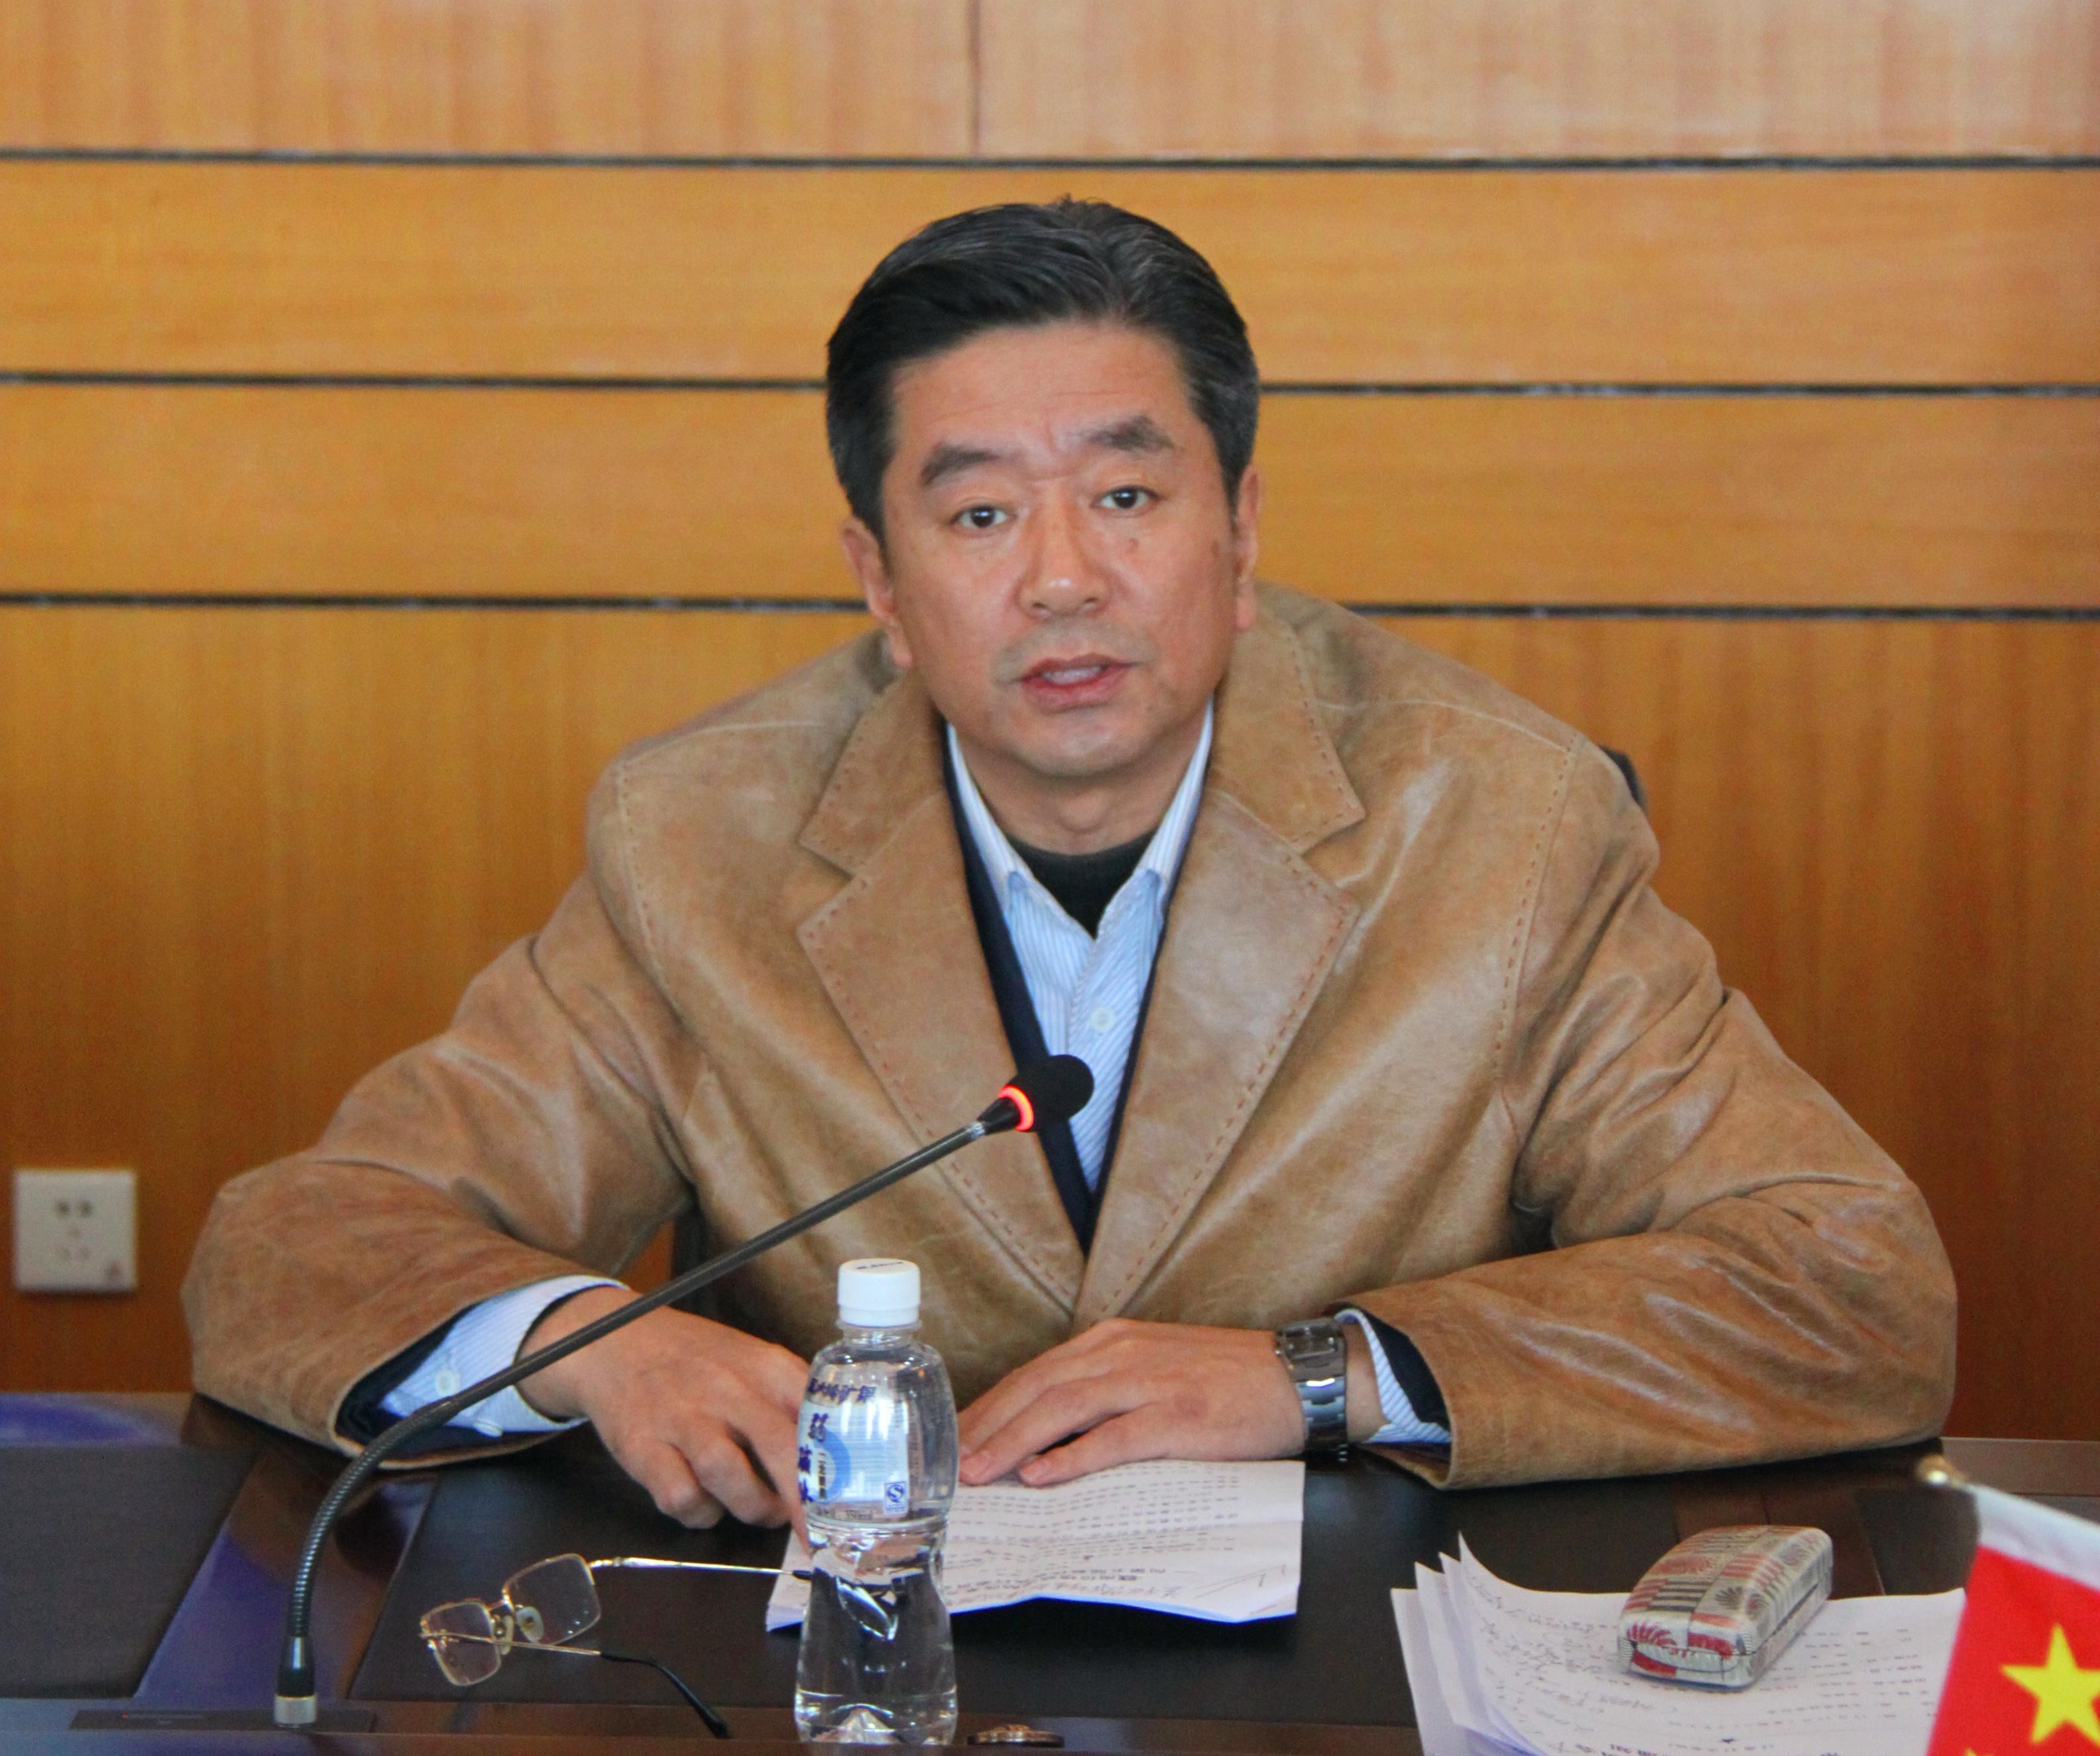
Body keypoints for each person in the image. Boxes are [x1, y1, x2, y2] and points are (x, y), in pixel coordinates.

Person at [184, 200, 1955, 1521]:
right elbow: (292, 1247)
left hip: (1355, 1719)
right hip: (869, 1711)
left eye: (1125, 497)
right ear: (880, 582)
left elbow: (1847, 1283)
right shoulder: (701, 842)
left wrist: (1320, 1378)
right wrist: (592, 1342)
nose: (1060, 580)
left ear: (1239, 532)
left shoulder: (1503, 823)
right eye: (977, 514)